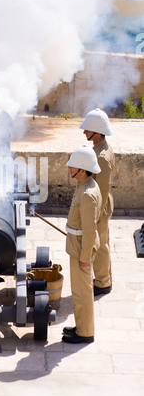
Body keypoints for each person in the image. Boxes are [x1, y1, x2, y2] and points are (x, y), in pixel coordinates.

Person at [63, 145, 102, 344]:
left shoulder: (87, 194)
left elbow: (89, 230)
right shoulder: (87, 185)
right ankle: (81, 326)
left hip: (81, 248)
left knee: (82, 292)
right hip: (77, 244)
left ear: (83, 169)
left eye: (73, 167)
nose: (70, 170)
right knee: (79, 291)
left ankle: (85, 332)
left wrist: (85, 258)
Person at [80, 108, 115, 296]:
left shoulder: (101, 157)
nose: (84, 132)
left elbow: (102, 188)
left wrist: (97, 213)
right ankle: (105, 277)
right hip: (103, 202)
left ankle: (102, 283)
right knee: (103, 242)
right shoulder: (101, 149)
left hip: (101, 205)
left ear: (97, 131)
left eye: (87, 129)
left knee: (99, 245)